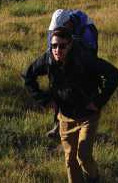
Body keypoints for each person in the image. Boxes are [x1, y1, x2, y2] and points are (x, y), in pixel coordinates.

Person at [23, 28, 118, 183]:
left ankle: (94, 179)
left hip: (87, 116)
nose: (57, 50)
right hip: (65, 117)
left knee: (83, 155)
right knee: (70, 160)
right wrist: (45, 100)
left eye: (62, 46)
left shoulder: (84, 58)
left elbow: (114, 74)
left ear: (70, 45)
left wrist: (98, 102)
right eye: (54, 46)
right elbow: (28, 76)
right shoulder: (48, 59)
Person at [45, 9, 99, 138]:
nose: (56, 32)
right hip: (64, 58)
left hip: (82, 59)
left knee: (78, 88)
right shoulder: (55, 29)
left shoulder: (87, 29)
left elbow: (90, 54)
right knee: (58, 89)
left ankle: (83, 125)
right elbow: (50, 49)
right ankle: (58, 125)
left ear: (68, 23)